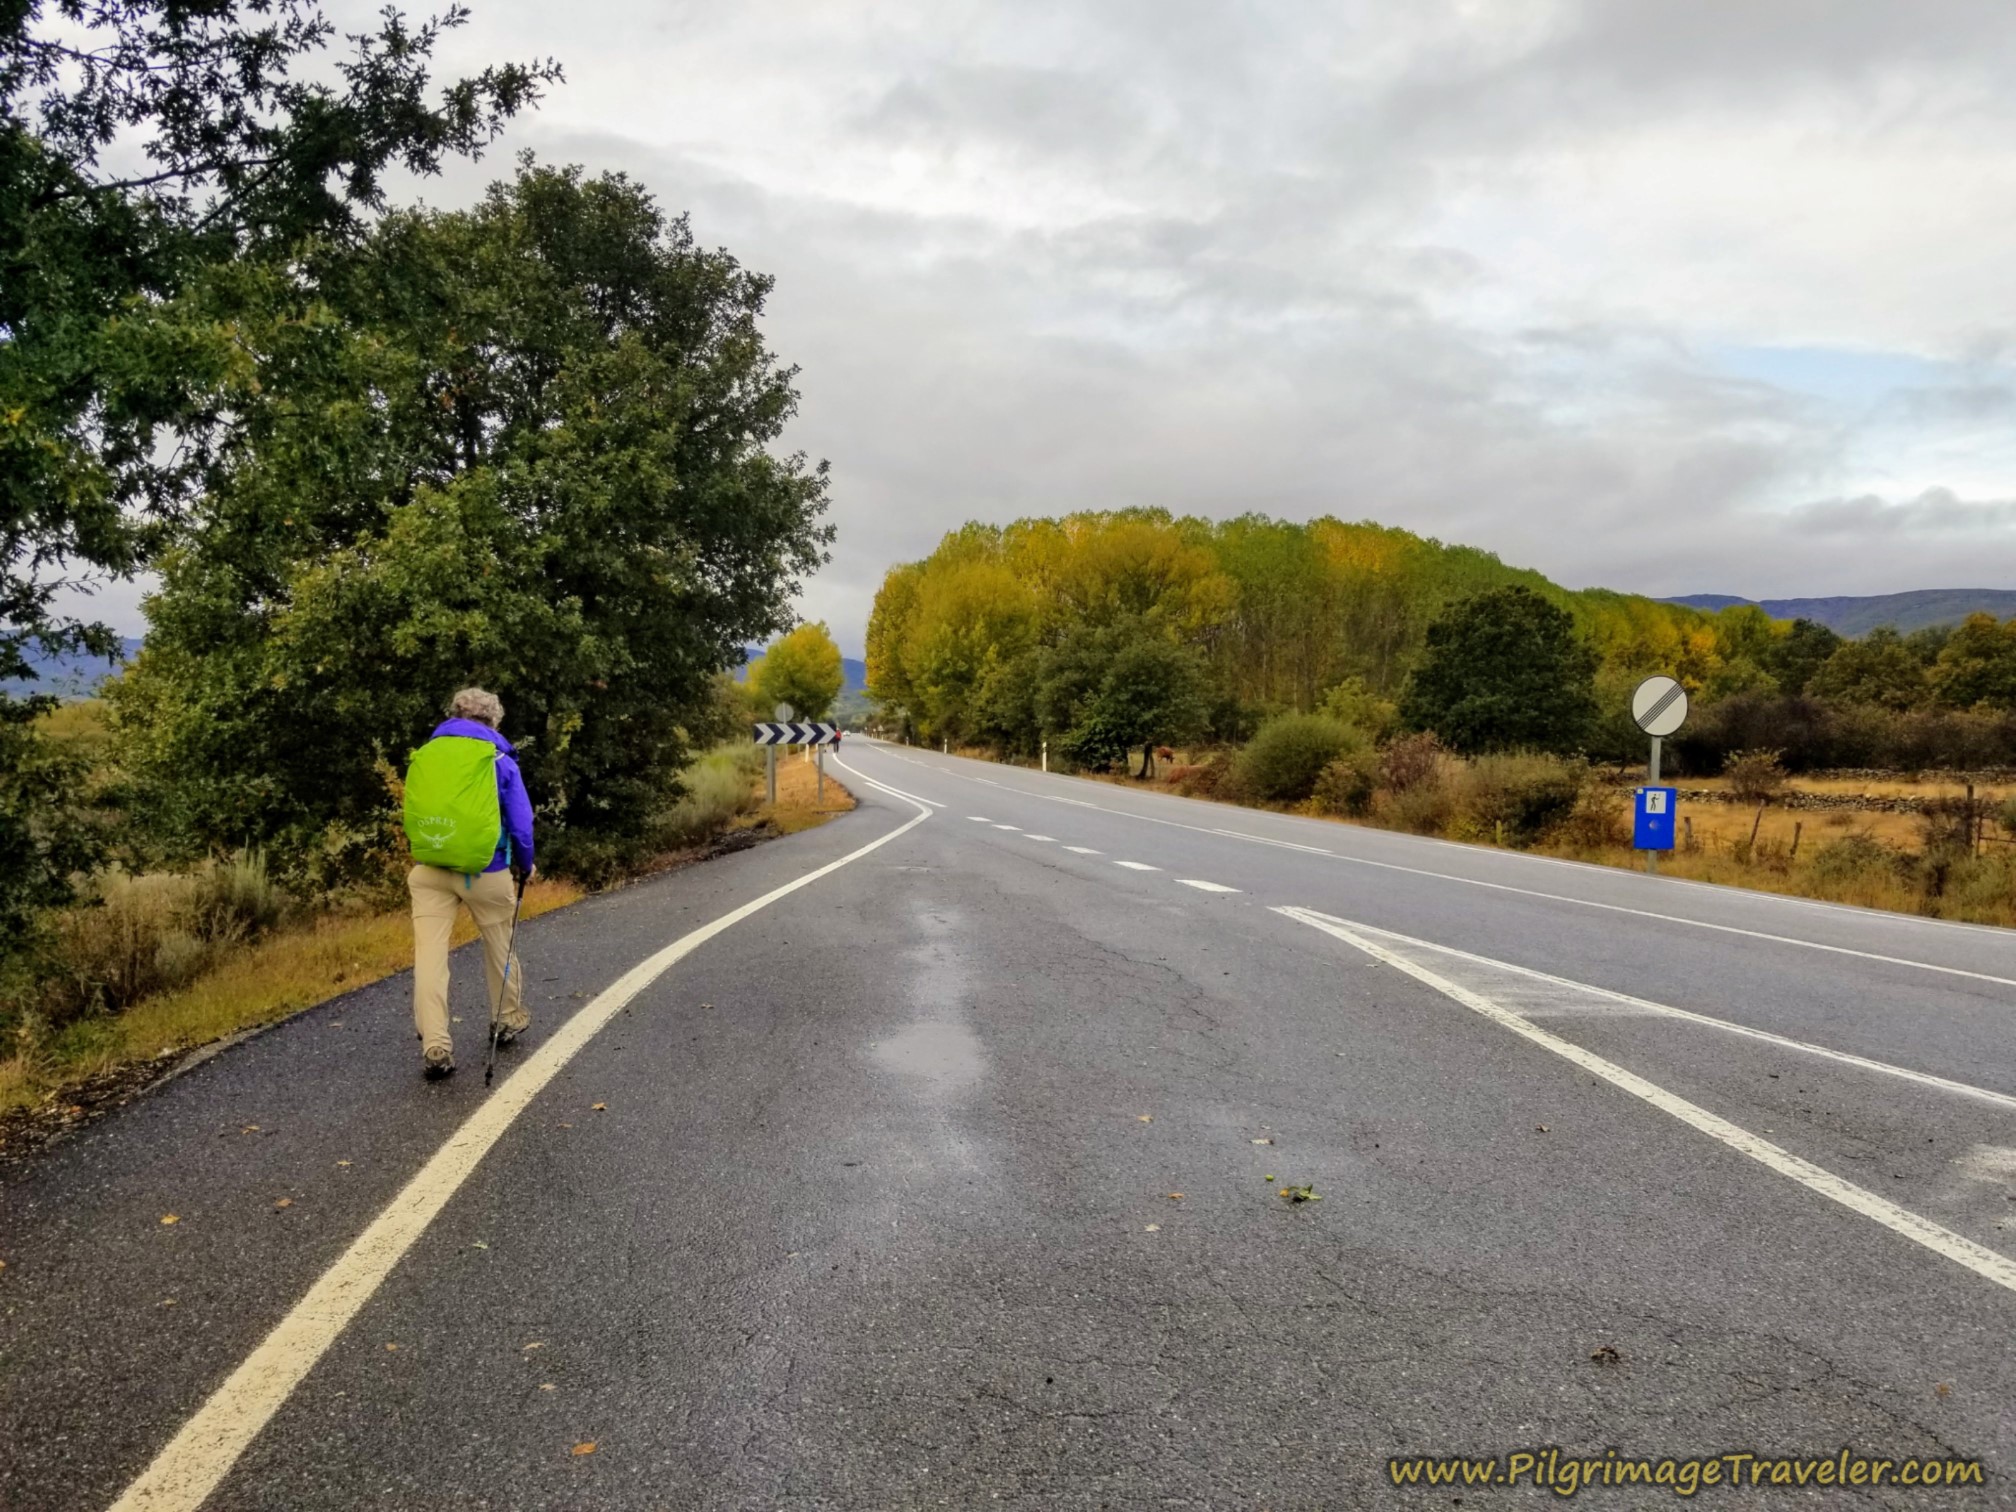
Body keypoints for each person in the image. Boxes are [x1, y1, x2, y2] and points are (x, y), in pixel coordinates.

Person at [406, 688, 536, 1080]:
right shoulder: (497, 759)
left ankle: (435, 1044)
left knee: (430, 956)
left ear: (454, 715)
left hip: (429, 868)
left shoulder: (425, 755)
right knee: (500, 945)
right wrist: (525, 865)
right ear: (493, 721)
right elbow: (520, 822)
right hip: (486, 870)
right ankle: (507, 1019)